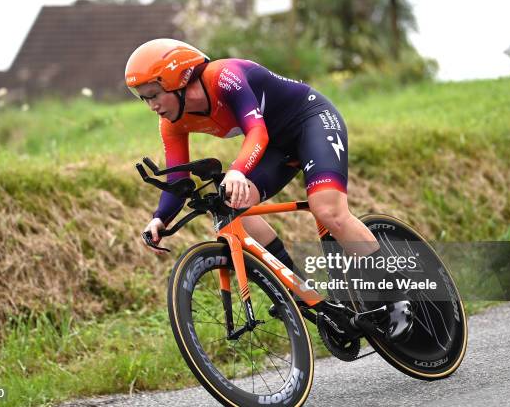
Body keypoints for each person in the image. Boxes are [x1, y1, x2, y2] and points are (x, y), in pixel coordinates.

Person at [125, 39, 411, 340]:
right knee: (230, 203)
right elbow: (176, 178)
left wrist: (237, 169)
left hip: (311, 121)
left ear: (178, 80)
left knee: (328, 210)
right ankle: (298, 291)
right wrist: (160, 218)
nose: (152, 106)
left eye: (154, 95)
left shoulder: (224, 76)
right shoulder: (171, 122)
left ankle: (397, 296)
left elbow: (256, 131)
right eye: (144, 99)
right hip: (277, 148)